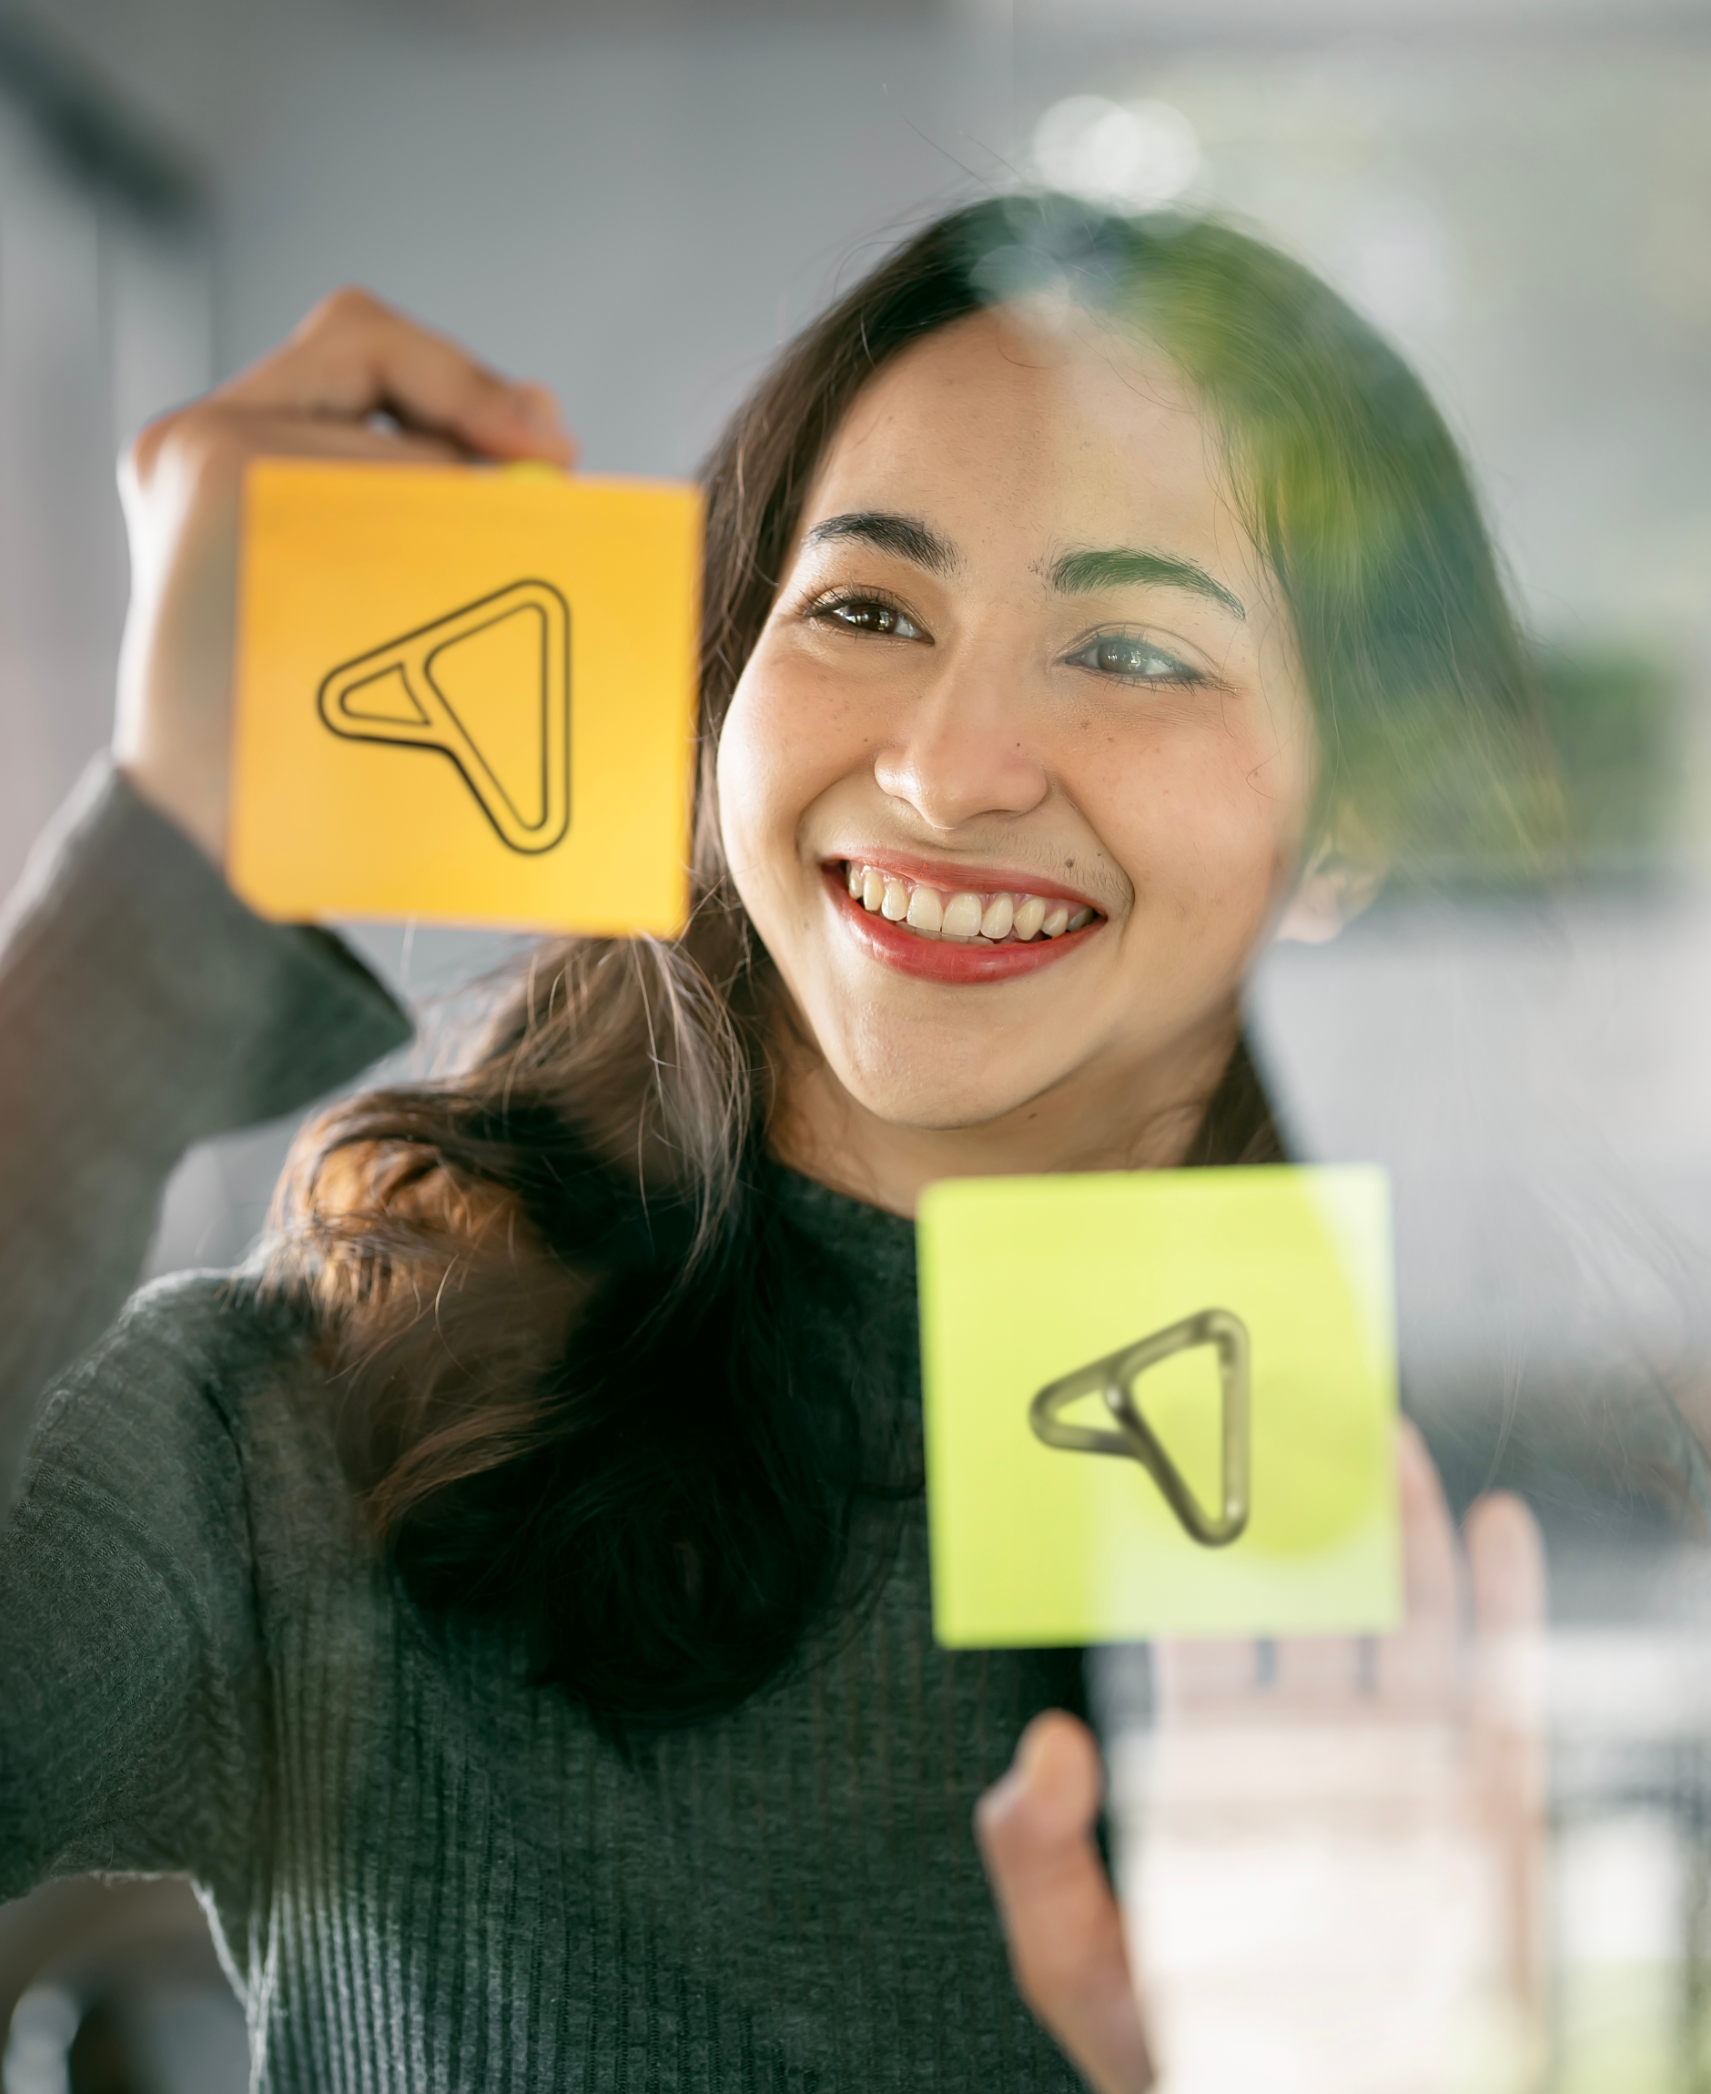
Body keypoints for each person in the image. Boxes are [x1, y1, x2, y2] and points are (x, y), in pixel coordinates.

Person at [0, 196, 1695, 2092]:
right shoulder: (348, 1409)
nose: (947, 763)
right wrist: (162, 867)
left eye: (1131, 649)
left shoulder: (1559, 1511)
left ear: (1359, 808)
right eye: (867, 610)